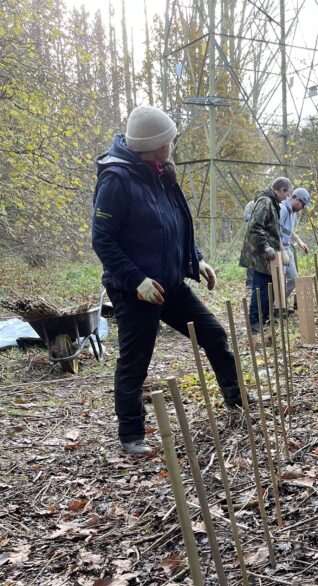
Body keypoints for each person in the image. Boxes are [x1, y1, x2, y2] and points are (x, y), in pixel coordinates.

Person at [92, 105, 242, 458]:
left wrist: (196, 258)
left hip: (171, 285)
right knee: (136, 360)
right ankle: (131, 435)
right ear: (155, 144)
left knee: (214, 335)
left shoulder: (160, 172)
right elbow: (103, 240)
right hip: (136, 291)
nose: (172, 143)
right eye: (168, 139)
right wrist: (135, 280)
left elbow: (176, 224)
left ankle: (237, 400)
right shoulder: (117, 179)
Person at [239, 177, 291, 333]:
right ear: (281, 190)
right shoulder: (266, 202)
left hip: (269, 255)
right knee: (260, 288)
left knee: (270, 286)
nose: (286, 197)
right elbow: (255, 226)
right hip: (260, 253)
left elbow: (273, 230)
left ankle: (266, 318)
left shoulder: (272, 203)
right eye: (286, 194)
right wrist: (266, 246)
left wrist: (280, 250)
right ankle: (254, 322)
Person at [279, 187, 312, 302]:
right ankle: (276, 306)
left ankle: (278, 303)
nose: (303, 208)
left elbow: (289, 231)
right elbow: (276, 232)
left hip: (287, 248)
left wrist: (300, 242)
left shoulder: (293, 213)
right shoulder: (282, 209)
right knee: (279, 281)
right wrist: (282, 253)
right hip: (278, 249)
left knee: (293, 279)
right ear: (297, 200)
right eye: (303, 205)